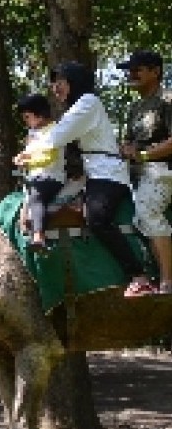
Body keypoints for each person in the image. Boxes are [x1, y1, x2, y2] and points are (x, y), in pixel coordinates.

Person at [15, 61, 152, 297]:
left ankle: (138, 276)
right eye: (54, 82)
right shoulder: (79, 107)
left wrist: (29, 153)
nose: (55, 87)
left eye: (61, 81)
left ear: (74, 82)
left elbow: (58, 136)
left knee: (96, 217)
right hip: (92, 173)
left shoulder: (88, 103)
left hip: (107, 174)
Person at [117, 50, 172, 295]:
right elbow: (128, 144)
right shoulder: (135, 108)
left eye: (137, 69)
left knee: (148, 214)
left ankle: (167, 282)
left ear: (156, 71)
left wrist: (143, 155)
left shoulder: (168, 99)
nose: (131, 74)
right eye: (130, 70)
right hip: (135, 173)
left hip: (162, 170)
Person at [14, 93, 67, 251]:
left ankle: (38, 236)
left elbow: (49, 157)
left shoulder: (55, 131)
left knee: (37, 196)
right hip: (34, 177)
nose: (26, 121)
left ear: (41, 115)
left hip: (52, 177)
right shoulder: (32, 133)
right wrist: (21, 157)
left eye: (27, 117)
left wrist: (27, 161)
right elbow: (29, 152)